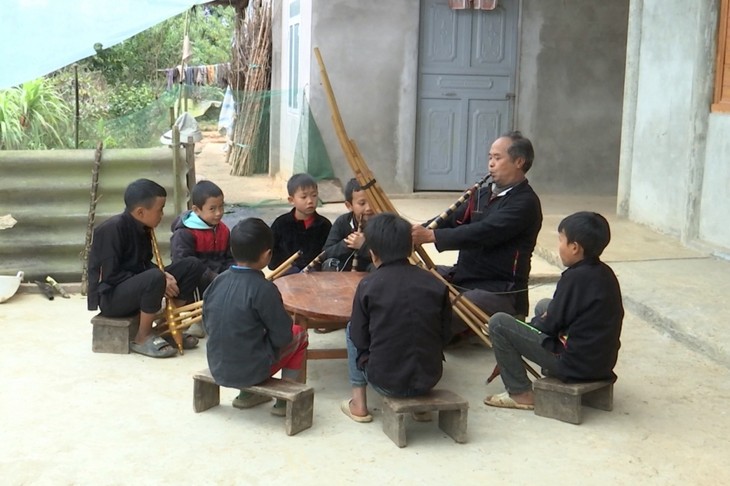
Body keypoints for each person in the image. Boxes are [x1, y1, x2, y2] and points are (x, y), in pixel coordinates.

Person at [484, 211, 624, 410]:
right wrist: (545, 318)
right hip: (600, 362)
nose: (559, 247)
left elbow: (549, 326)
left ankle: (520, 392)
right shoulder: (604, 272)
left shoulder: (574, 278)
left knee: (498, 323)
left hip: (575, 364)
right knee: (544, 305)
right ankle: (547, 366)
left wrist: (526, 328)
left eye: (561, 241)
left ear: (575, 248)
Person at [411, 131, 543, 326]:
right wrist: (414, 232)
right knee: (409, 280)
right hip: (465, 277)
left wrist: (432, 235)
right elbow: (449, 219)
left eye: (497, 158)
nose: (491, 163)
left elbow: (485, 232)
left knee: (439, 314)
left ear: (519, 162)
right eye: (490, 157)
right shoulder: (482, 194)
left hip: (499, 289)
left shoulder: (525, 203)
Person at [341, 213, 452, 423]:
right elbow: (446, 336)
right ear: (410, 249)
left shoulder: (368, 285)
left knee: (350, 329)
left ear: (373, 254)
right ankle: (420, 405)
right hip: (430, 378)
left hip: (384, 382)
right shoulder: (435, 283)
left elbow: (360, 339)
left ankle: (359, 403)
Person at [87, 178, 206, 358]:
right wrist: (158, 277)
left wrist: (164, 275)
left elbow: (143, 263)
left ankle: (167, 327)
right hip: (112, 299)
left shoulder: (144, 228)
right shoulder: (111, 230)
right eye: (160, 210)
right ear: (141, 212)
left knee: (192, 265)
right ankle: (142, 337)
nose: (162, 215)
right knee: (154, 277)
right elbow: (110, 276)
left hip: (136, 286)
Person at [203, 218, 309, 416]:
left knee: (244, 333)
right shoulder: (265, 289)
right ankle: (283, 402)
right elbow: (283, 337)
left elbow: (208, 323)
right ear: (268, 255)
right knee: (299, 334)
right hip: (250, 370)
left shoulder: (218, 281)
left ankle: (247, 396)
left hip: (217, 363)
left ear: (232, 251)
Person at [170, 180, 234, 338]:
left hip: (217, 275)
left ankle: (218, 317)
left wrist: (231, 272)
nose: (219, 213)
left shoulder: (223, 230)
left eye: (221, 207)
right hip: (195, 280)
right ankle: (196, 320)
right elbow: (183, 262)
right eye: (212, 209)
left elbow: (230, 257)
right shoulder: (185, 233)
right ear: (196, 210)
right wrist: (212, 276)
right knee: (197, 280)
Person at [269, 173, 332, 273]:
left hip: (317, 279)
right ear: (291, 200)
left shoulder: (325, 225)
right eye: (304, 197)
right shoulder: (281, 224)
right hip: (286, 278)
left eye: (314, 195)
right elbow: (271, 256)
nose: (310, 201)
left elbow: (329, 254)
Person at [322, 178, 375, 272]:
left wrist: (363, 246)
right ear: (349, 206)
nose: (369, 208)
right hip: (346, 271)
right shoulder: (342, 222)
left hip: (371, 272)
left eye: (373, 201)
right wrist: (347, 244)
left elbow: (390, 255)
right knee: (330, 264)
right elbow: (325, 253)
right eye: (362, 203)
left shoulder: (385, 223)